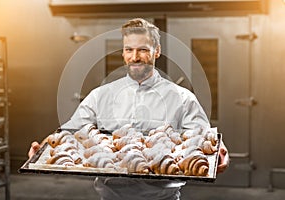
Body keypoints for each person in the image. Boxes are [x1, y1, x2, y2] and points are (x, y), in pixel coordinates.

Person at [29, 18, 229, 200]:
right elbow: (69, 133)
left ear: (156, 51)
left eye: (143, 49)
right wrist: (43, 149)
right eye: (129, 50)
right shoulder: (100, 96)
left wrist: (220, 151)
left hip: (162, 197)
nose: (135, 57)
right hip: (111, 196)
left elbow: (204, 141)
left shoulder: (183, 98)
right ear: (123, 53)